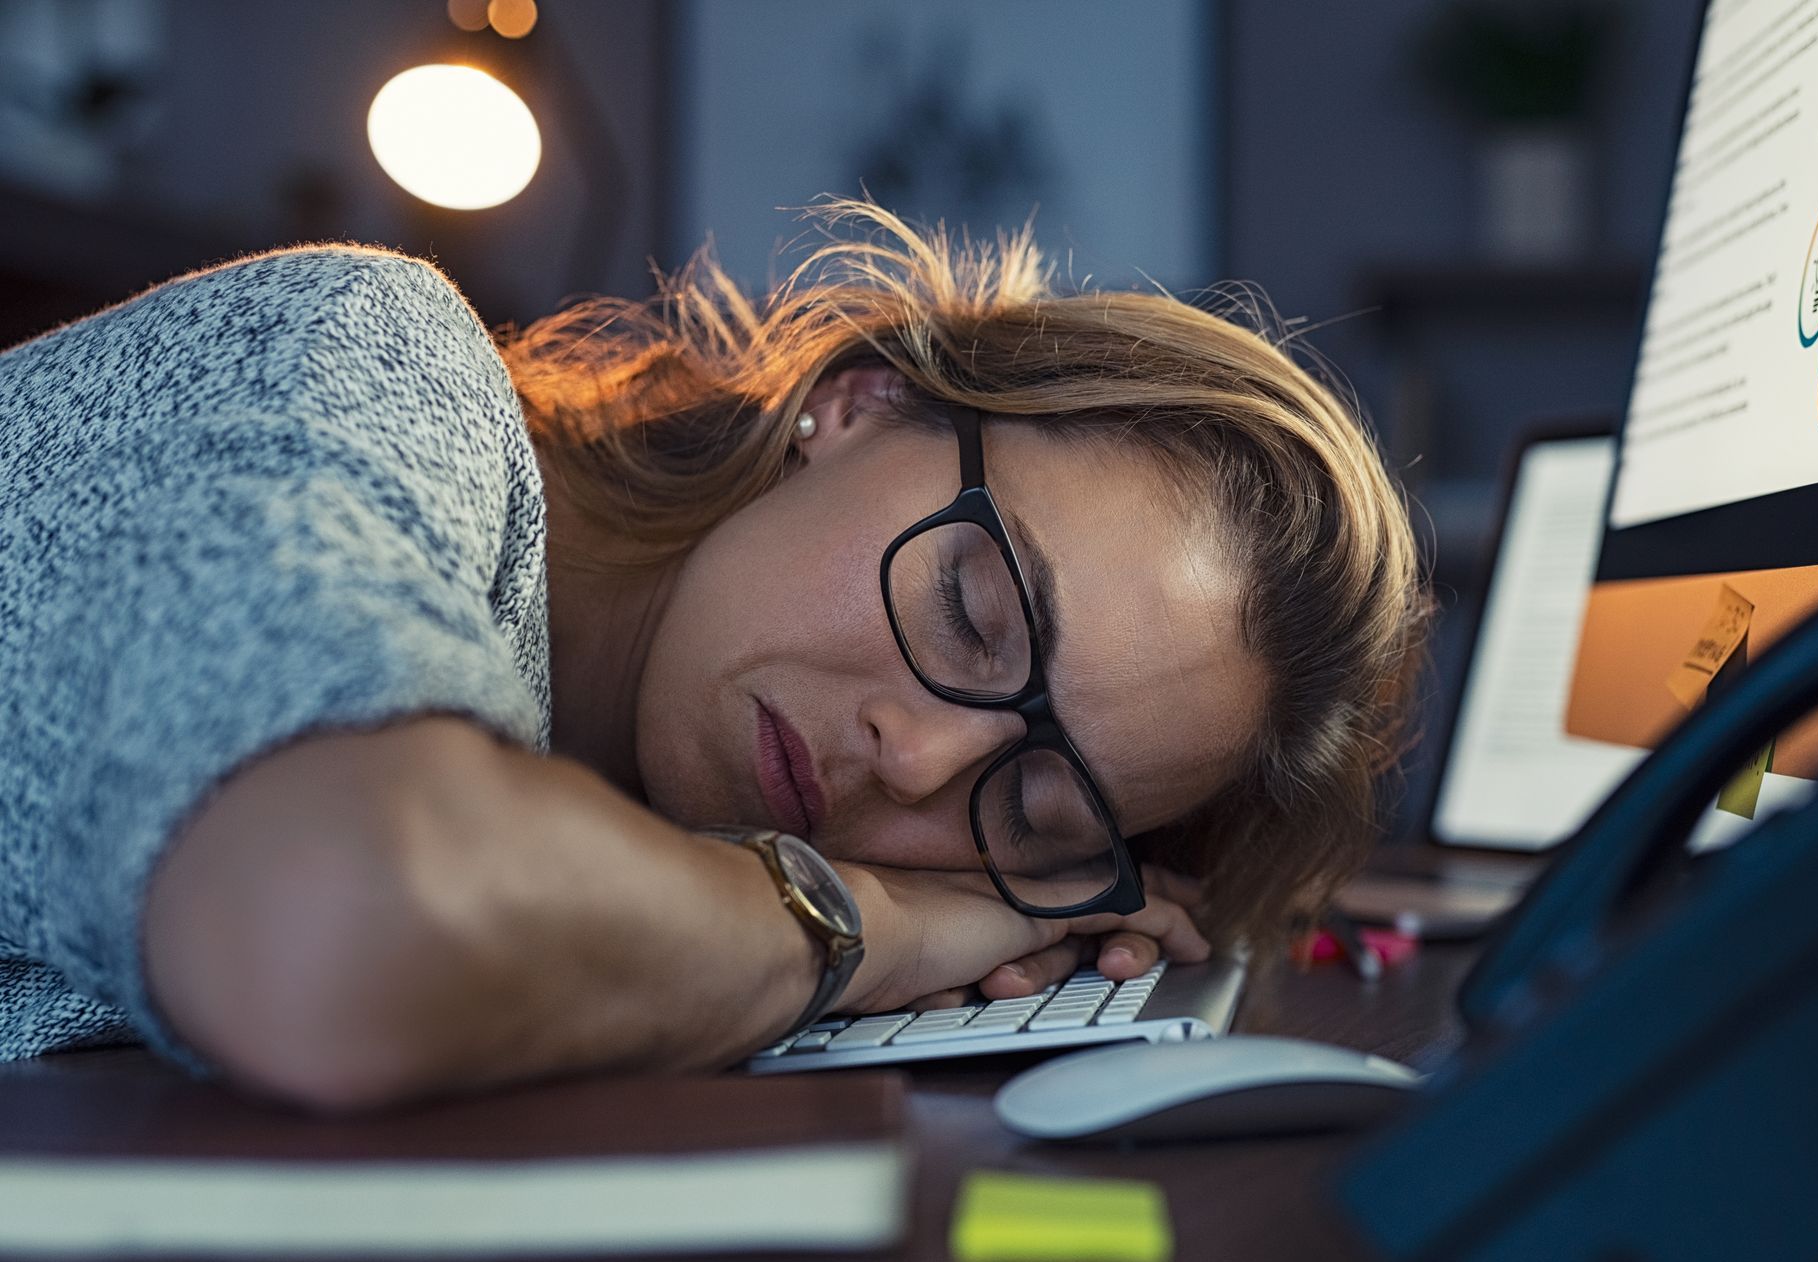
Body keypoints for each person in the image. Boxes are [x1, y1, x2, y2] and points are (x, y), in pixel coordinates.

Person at [0, 202, 1426, 1111]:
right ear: (860, 409)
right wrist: (860, 926)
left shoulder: (616, 823)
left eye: (1038, 810)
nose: (919, 759)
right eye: (969, 614)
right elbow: (339, 927)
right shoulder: (369, 358)